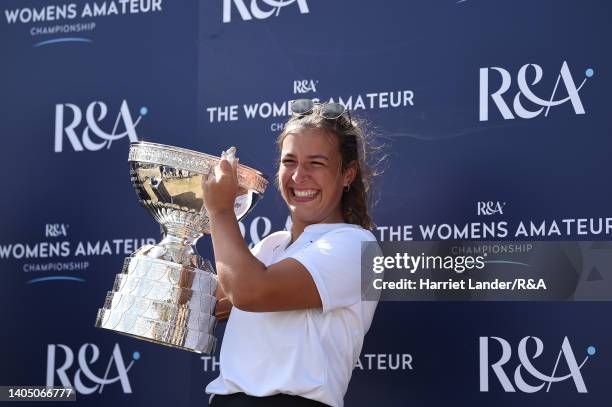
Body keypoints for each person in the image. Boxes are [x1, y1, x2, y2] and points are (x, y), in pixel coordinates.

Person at [203, 99, 381, 407]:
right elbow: (212, 305)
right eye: (289, 162)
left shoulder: (358, 247)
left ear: (348, 174)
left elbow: (249, 291)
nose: (299, 177)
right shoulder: (271, 244)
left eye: (316, 163)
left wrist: (220, 211)